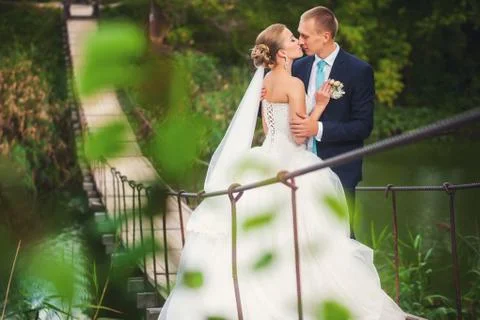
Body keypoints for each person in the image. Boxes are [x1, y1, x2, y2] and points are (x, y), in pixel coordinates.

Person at [158, 23, 404, 320]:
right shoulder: (294, 84)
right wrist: (320, 107)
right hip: (292, 162)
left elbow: (267, 129)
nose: (297, 42)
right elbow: (300, 134)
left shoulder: (267, 84)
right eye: (291, 39)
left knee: (259, 237)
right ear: (281, 53)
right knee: (305, 240)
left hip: (265, 159)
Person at [289, 6, 375, 238]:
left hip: (339, 170)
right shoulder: (298, 67)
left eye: (304, 35)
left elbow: (363, 126)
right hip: (299, 168)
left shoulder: (359, 71)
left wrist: (318, 128)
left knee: (341, 238)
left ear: (325, 36)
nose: (300, 41)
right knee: (302, 237)